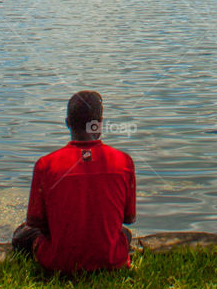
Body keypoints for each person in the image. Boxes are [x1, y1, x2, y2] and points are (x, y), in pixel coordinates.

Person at [12, 90, 136, 274]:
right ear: (99, 126)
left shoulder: (46, 165)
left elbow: (35, 221)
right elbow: (129, 218)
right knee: (125, 234)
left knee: (21, 235)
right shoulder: (123, 162)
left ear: (67, 123)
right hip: (111, 259)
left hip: (58, 262)